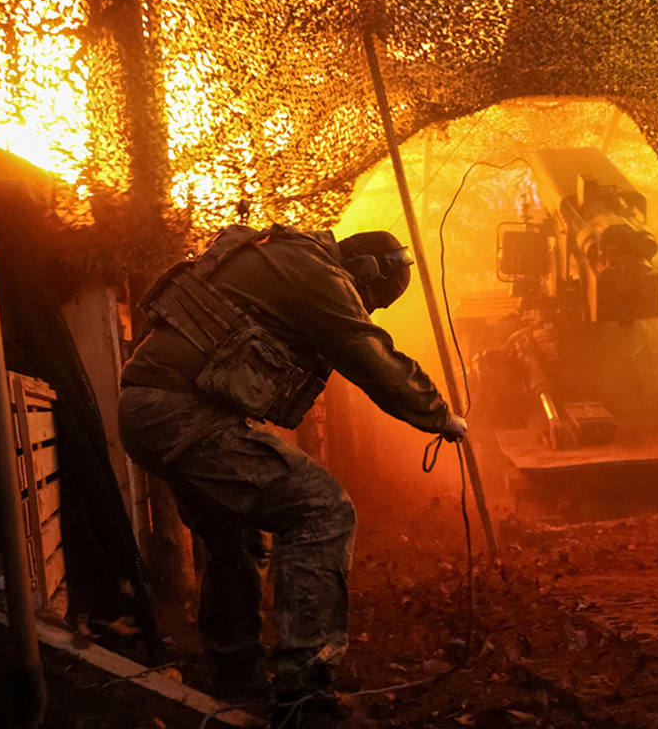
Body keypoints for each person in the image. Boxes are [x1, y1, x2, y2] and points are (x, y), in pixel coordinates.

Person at [117, 224, 466, 718]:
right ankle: (304, 688)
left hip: (153, 408)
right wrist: (438, 414)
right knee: (320, 509)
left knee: (232, 534)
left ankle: (235, 674)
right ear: (363, 270)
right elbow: (365, 351)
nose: (365, 306)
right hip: (181, 414)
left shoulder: (283, 259)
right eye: (371, 297)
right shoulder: (314, 272)